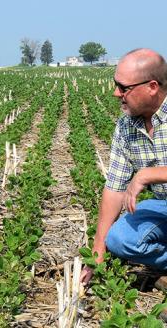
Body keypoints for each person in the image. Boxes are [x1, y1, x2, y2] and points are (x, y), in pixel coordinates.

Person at [80, 49, 167, 292]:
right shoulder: (127, 125)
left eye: (123, 87)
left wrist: (148, 174)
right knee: (119, 239)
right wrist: (97, 251)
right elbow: (115, 187)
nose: (115, 93)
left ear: (151, 86)